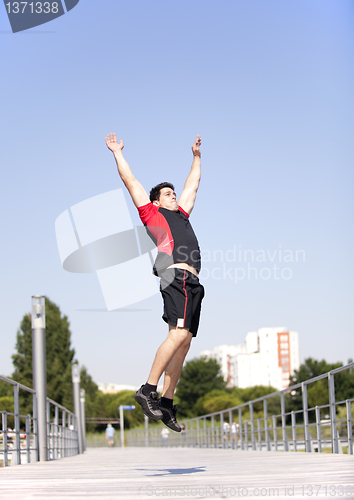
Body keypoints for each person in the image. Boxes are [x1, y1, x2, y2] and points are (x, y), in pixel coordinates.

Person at [105, 133, 205, 433]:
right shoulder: (152, 213)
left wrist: (196, 157)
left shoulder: (182, 214)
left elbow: (193, 185)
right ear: (156, 200)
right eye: (167, 193)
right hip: (177, 276)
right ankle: (148, 389)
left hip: (194, 282)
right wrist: (117, 152)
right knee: (179, 334)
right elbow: (131, 182)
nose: (173, 194)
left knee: (184, 341)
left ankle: (166, 402)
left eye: (173, 192)